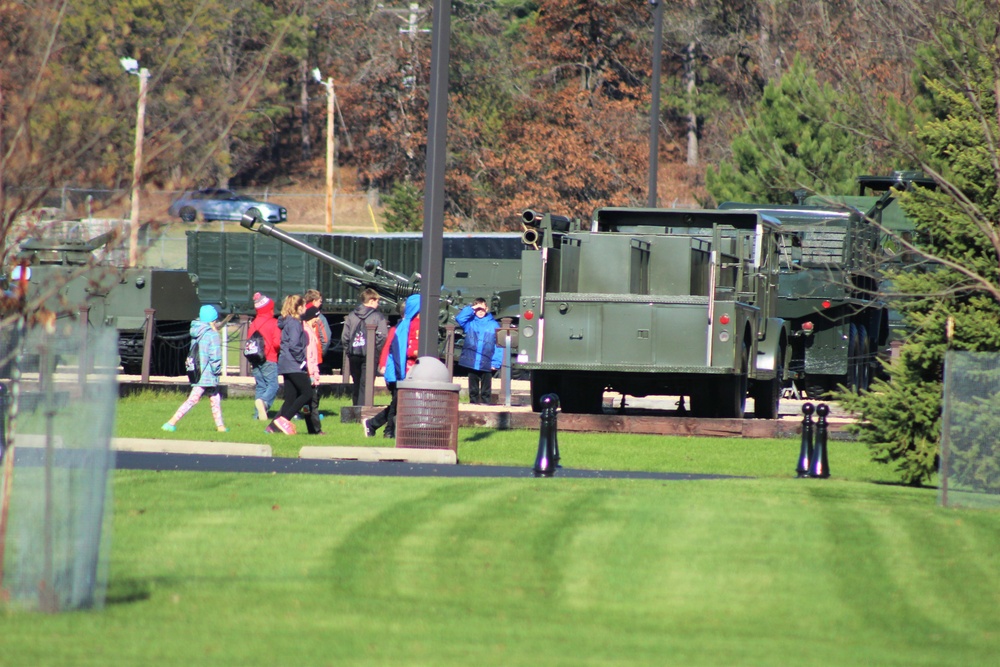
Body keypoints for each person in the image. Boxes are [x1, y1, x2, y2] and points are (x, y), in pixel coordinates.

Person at [163, 304, 227, 432]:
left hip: (197, 371)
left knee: (215, 398)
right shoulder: (212, 335)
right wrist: (217, 370)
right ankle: (171, 422)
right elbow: (215, 356)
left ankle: (220, 426)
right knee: (193, 399)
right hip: (207, 373)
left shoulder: (196, 332)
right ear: (212, 321)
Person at [363, 293, 420, 438]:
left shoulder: (404, 326)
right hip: (399, 372)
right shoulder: (404, 328)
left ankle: (373, 424)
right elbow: (398, 350)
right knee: (397, 403)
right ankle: (388, 432)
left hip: (402, 370)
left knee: (398, 402)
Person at [268, 294, 312, 435]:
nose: (305, 308)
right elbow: (294, 345)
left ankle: (272, 428)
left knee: (291, 398)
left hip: (286, 362)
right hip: (294, 363)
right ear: (298, 308)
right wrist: (302, 360)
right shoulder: (294, 323)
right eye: (304, 305)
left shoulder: (287, 322)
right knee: (307, 393)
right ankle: (285, 419)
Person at [340, 287, 388, 406]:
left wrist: (348, 351)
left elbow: (345, 337)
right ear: (371, 301)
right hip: (370, 354)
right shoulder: (378, 316)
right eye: (377, 301)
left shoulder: (351, 315)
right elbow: (383, 336)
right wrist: (376, 350)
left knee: (356, 381)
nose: (378, 304)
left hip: (354, 354)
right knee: (366, 383)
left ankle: (355, 407)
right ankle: (364, 409)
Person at [456, 298, 504, 405]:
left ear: (487, 309)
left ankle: (486, 405)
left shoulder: (494, 325)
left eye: (482, 308)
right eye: (478, 309)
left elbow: (499, 345)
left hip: (487, 361)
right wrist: (471, 308)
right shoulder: (470, 323)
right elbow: (460, 318)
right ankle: (473, 404)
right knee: (473, 389)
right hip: (472, 360)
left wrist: (496, 362)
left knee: (486, 389)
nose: (480, 311)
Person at [247, 292, 281, 420]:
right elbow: (277, 343)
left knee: (261, 386)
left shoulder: (254, 323)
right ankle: (264, 403)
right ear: (268, 308)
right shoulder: (273, 323)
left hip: (255, 358)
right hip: (269, 358)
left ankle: (258, 415)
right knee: (273, 385)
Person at [300, 303, 325, 435]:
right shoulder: (308, 332)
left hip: (309, 371)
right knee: (313, 402)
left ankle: (311, 428)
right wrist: (312, 374)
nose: (318, 320)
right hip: (310, 372)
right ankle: (316, 429)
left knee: (307, 404)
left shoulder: (309, 330)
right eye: (316, 317)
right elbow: (309, 356)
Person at [304, 289, 332, 362]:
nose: (320, 304)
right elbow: (326, 339)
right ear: (314, 301)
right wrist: (321, 353)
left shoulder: (299, 314)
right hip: (314, 354)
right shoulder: (319, 317)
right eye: (320, 301)